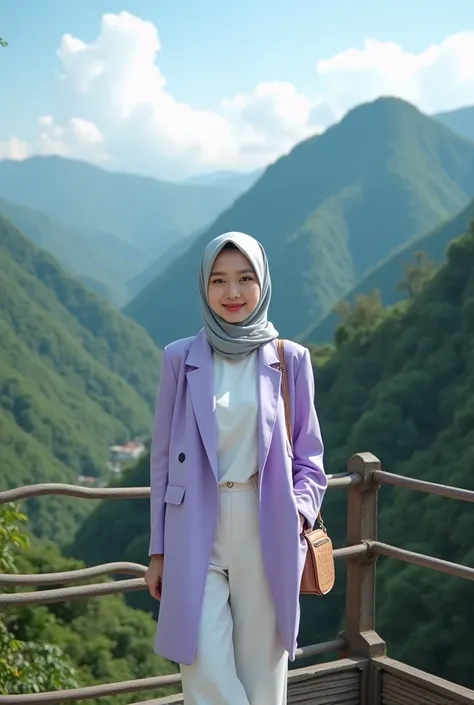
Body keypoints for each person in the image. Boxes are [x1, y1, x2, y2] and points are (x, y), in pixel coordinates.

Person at [144, 231, 327, 705]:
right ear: (204, 287)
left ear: (262, 283)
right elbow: (162, 461)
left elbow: (311, 460)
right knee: (202, 664)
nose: (232, 293)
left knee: (262, 676)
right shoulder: (179, 359)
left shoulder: (290, 359)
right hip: (194, 529)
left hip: (266, 525)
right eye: (219, 280)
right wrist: (158, 550)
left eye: (245, 278)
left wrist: (299, 514)